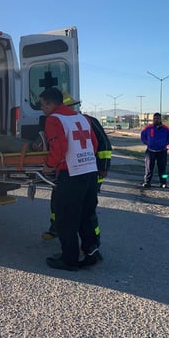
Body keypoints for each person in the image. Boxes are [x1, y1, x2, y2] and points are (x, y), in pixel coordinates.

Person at [42, 94, 112, 265]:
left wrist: (49, 166)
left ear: (51, 104)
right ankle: (91, 253)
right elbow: (94, 144)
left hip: (71, 173)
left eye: (43, 105)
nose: (42, 109)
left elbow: (58, 148)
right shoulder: (82, 119)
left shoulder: (53, 119)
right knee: (86, 216)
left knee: (66, 217)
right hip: (89, 172)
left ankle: (69, 259)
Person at [140, 112, 169, 188]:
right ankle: (147, 182)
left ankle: (163, 182)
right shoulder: (148, 128)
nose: (156, 120)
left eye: (157, 118)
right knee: (148, 168)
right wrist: (147, 142)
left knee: (163, 169)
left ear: (160, 119)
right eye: (154, 118)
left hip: (162, 151)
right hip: (150, 151)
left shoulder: (166, 128)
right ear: (153, 119)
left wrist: (164, 143)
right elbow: (143, 136)